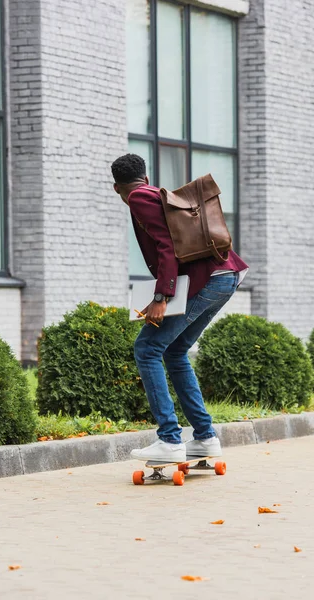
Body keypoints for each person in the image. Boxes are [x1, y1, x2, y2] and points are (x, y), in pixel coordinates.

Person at [111, 153, 248, 463]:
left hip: (209, 280)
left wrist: (162, 299)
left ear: (116, 188)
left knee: (146, 349)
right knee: (174, 351)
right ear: (145, 177)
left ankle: (170, 439)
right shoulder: (156, 192)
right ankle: (205, 437)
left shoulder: (138, 199)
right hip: (224, 276)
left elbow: (166, 248)